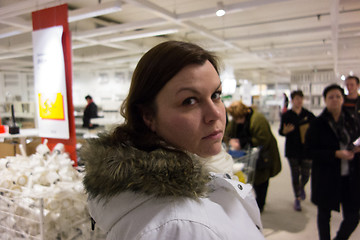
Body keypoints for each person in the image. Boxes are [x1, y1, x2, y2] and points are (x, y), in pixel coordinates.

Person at [81, 41, 265, 239]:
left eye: (216, 95)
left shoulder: (208, 172)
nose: (215, 114)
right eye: (189, 101)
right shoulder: (179, 227)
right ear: (148, 116)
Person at [305, 84, 360, 240]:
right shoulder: (317, 124)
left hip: (350, 177)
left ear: (343, 99)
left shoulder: (352, 121)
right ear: (325, 100)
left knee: (353, 217)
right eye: (331, 97)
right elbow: (308, 151)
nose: (335, 99)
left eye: (338, 96)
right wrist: (334, 154)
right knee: (324, 216)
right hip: (326, 177)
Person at [224, 101, 282, 212]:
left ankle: (261, 204)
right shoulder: (236, 121)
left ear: (244, 114)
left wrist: (241, 142)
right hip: (247, 156)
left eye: (238, 118)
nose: (236, 121)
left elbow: (263, 139)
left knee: (261, 180)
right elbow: (228, 133)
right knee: (249, 178)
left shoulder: (258, 119)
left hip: (263, 155)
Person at [278, 90, 315, 211]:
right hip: (292, 150)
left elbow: (316, 129)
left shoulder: (308, 115)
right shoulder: (286, 115)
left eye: (300, 99)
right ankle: (297, 197)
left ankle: (301, 187)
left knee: (306, 174)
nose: (299, 101)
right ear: (292, 100)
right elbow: (280, 131)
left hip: (307, 150)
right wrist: (285, 132)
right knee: (295, 174)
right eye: (296, 99)